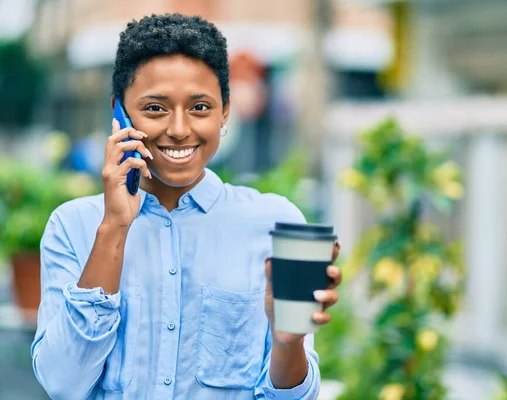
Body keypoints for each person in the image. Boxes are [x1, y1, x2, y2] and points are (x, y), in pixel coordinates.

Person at [30, 14, 342, 400]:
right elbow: (61, 384)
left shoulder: (275, 223)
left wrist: (287, 341)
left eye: (200, 107)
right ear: (118, 111)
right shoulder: (73, 226)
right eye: (156, 108)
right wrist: (114, 226)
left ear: (225, 110)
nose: (179, 128)